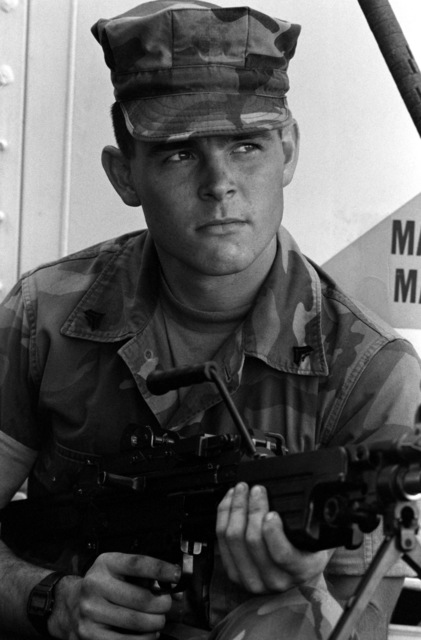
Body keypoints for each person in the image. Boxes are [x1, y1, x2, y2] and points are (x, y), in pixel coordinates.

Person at [0, 1, 420, 639]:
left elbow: (363, 626)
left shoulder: (369, 371)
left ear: (288, 151)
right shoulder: (45, 316)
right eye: (177, 153)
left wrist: (305, 590)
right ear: (124, 174)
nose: (220, 183)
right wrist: (51, 599)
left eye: (246, 145)